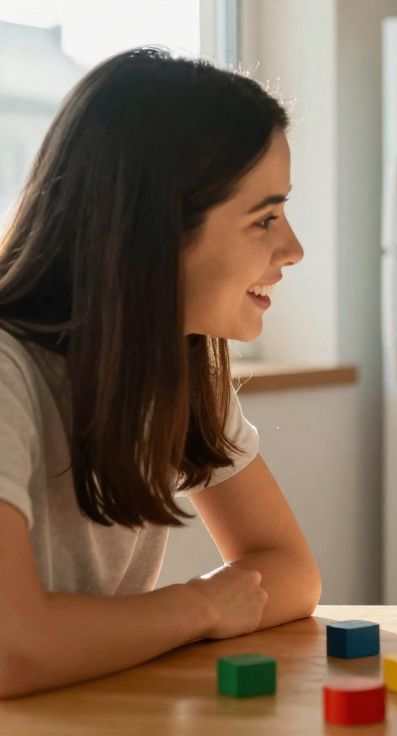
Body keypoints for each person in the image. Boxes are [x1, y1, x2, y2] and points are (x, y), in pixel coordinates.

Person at [0, 48, 320, 697]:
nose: (293, 249)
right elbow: (11, 648)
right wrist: (200, 606)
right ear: (158, 228)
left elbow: (290, 572)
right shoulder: (8, 372)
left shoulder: (175, 363)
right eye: (264, 218)